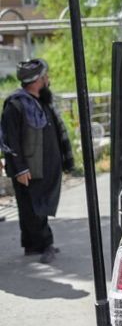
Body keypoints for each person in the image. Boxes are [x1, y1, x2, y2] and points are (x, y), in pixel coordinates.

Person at [1, 59, 74, 264]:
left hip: (45, 167)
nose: (47, 80)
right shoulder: (15, 105)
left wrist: (66, 161)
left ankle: (32, 246)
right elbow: (10, 141)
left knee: (33, 207)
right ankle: (45, 244)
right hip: (28, 169)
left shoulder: (42, 102)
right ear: (36, 81)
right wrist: (20, 169)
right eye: (45, 77)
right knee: (33, 208)